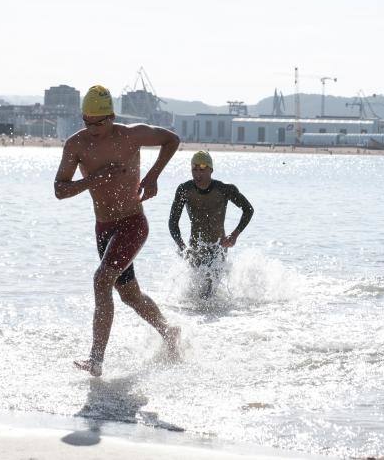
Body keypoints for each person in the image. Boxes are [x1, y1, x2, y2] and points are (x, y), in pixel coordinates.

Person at [54, 84, 180, 377]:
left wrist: (152, 176)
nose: (90, 128)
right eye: (85, 121)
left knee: (101, 280)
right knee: (129, 295)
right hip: (104, 228)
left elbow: (171, 140)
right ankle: (169, 332)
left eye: (96, 122)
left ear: (110, 117)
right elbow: (60, 190)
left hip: (133, 222)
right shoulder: (76, 145)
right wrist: (94, 179)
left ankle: (95, 361)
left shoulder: (131, 135)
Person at [168, 151, 254, 298]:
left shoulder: (225, 189)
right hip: (195, 249)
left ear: (211, 170)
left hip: (218, 248)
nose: (197, 174)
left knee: (208, 294)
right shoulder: (184, 190)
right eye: (194, 169)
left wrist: (234, 235)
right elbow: (172, 222)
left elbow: (248, 209)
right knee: (196, 296)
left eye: (202, 169)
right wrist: (182, 247)